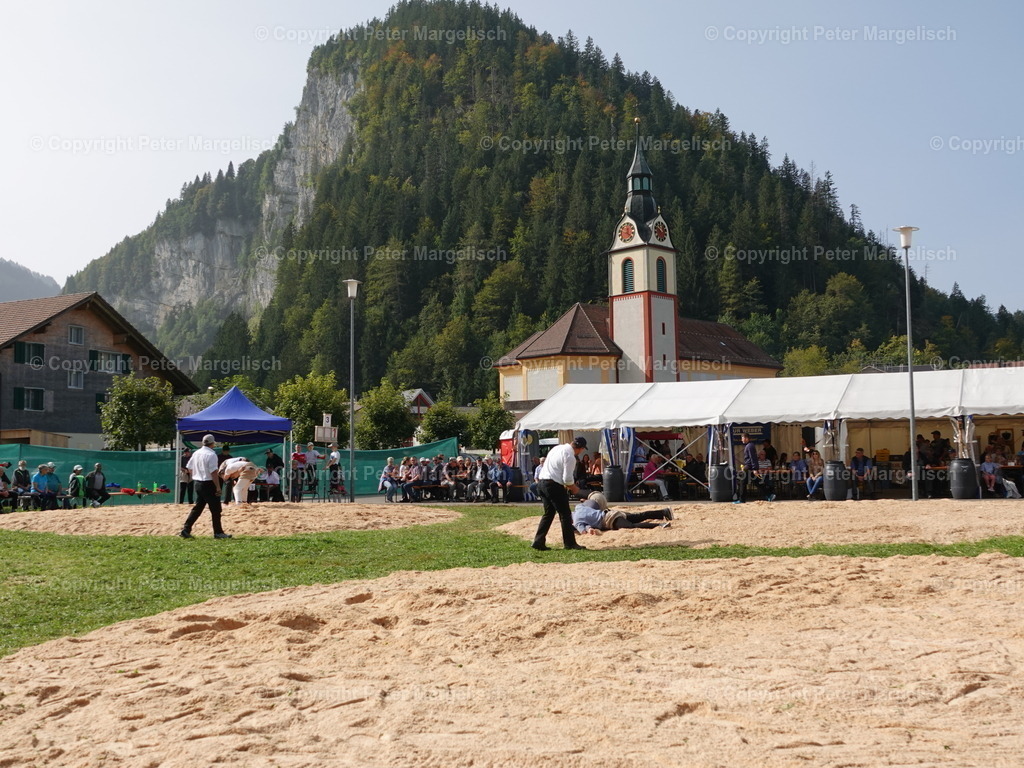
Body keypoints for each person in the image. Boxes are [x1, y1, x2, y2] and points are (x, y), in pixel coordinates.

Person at [532, 436, 588, 551]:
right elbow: (567, 479)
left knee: (548, 514)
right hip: (553, 485)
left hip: (542, 483)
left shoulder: (557, 448)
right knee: (565, 514)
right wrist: (575, 489)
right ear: (581, 449)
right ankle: (570, 544)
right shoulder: (570, 456)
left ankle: (538, 541)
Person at [180, 434, 232, 539]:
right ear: (212, 443)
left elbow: (189, 468)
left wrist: (198, 473)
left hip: (198, 483)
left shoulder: (196, 453)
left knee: (198, 508)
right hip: (209, 483)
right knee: (216, 509)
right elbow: (213, 472)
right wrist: (217, 487)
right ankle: (218, 532)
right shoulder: (211, 455)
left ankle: (186, 529)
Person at [573, 491, 673, 535]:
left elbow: (585, 531)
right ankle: (663, 512)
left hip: (610, 520)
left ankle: (660, 524)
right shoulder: (578, 507)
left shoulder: (577, 522)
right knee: (638, 516)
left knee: (632, 526)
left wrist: (587, 529)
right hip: (611, 513)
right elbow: (590, 504)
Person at [734, 433, 759, 504]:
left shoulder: (749, 446)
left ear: (746, 438)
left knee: (742, 482)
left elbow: (753, 457)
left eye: (742, 438)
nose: (741, 439)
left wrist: (754, 468)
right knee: (757, 482)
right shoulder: (749, 446)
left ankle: (741, 499)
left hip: (748, 467)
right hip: (749, 466)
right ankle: (769, 494)